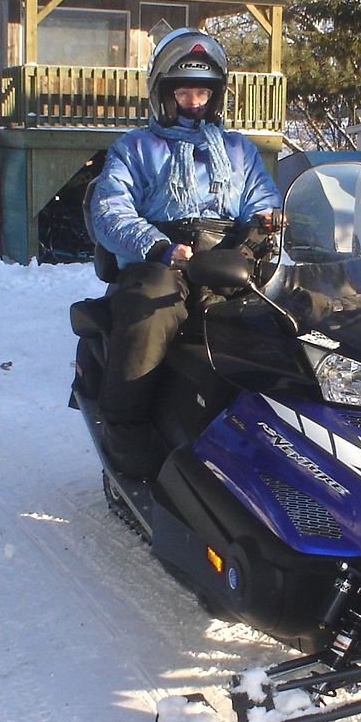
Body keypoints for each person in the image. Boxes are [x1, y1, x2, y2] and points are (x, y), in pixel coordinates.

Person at [90, 28, 282, 477]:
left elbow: (263, 199)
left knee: (282, 319)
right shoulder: (135, 148)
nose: (193, 101)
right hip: (160, 261)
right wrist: (158, 247)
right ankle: (125, 424)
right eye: (183, 91)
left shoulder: (238, 150)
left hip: (226, 259)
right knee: (151, 305)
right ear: (163, 93)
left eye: (202, 91)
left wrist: (266, 224)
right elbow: (109, 210)